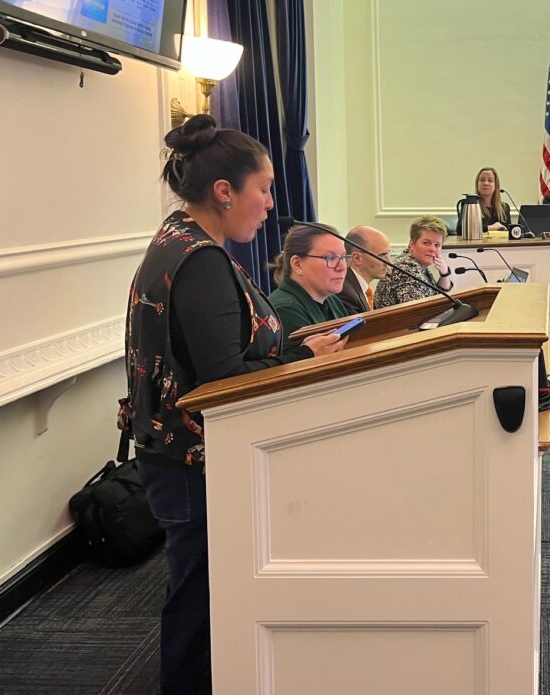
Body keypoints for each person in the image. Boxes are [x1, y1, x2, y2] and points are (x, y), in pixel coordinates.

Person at [122, 114, 345, 695]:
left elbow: (226, 351)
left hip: (180, 455)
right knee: (199, 599)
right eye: (264, 189)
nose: (271, 203)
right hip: (194, 461)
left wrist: (296, 346)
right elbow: (223, 381)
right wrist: (304, 359)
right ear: (225, 192)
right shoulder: (200, 260)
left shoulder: (178, 236)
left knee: (201, 592)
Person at [268, 225, 350, 345]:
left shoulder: (332, 300)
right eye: (330, 257)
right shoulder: (285, 309)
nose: (342, 267)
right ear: (297, 264)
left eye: (342, 257)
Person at [374, 215, 451, 308]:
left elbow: (437, 296)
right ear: (412, 244)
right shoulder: (406, 268)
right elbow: (419, 311)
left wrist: (445, 274)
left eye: (437, 245)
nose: (432, 249)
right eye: (426, 243)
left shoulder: (417, 263)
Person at [336, 225, 391, 314]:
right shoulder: (345, 293)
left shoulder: (363, 288)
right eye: (382, 256)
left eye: (388, 254)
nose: (389, 262)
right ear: (357, 258)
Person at [454, 167, 511, 234]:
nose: (486, 183)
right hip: (477, 243)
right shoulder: (469, 205)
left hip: (499, 243)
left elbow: (509, 232)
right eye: (482, 180)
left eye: (490, 180)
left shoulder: (504, 207)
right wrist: (491, 227)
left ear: (496, 185)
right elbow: (460, 229)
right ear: (477, 184)